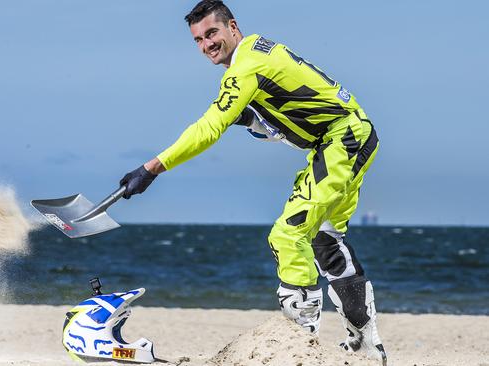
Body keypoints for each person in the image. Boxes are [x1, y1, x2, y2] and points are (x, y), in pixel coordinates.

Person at [119, 1, 386, 363]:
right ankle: (369, 349)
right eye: (198, 39)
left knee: (287, 235)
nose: (206, 45)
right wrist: (249, 118)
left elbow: (208, 128)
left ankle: (298, 350)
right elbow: (283, 111)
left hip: (342, 140)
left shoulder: (246, 66)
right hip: (348, 136)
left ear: (232, 26)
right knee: (325, 239)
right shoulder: (258, 51)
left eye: (212, 33)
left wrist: (151, 168)